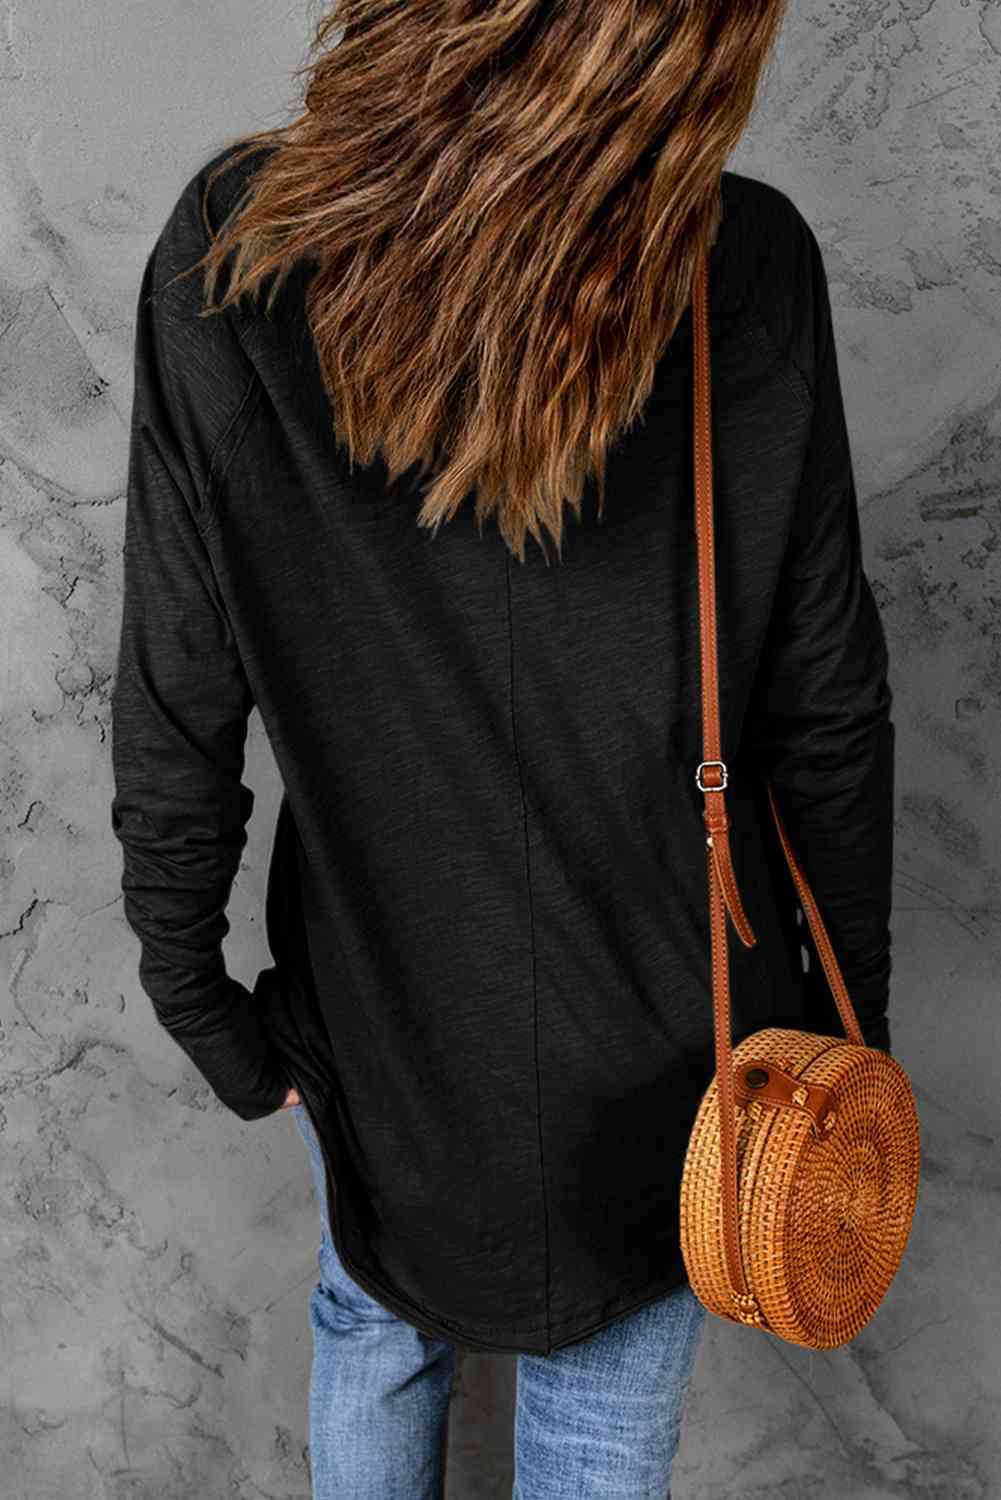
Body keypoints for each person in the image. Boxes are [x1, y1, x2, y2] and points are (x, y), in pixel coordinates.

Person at [109, 1, 895, 1496]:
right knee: (605, 1403)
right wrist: (847, 1020)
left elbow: (179, 683)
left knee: (371, 1321)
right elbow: (827, 706)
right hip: (672, 1012)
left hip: (377, 1002)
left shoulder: (237, 248)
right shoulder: (746, 261)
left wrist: (196, 994)